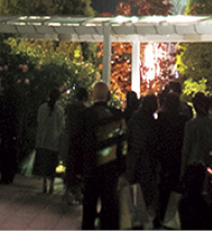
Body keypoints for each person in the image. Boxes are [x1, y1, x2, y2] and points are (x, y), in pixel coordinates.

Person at [77, 80, 124, 230]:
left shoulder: (84, 115)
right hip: (111, 169)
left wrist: (77, 171)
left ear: (92, 95)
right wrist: (122, 168)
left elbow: (77, 144)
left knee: (89, 207)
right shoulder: (117, 116)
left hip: (90, 168)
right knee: (110, 208)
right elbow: (123, 145)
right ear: (108, 96)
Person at [154, 89, 187, 230]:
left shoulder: (161, 117)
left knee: (162, 187)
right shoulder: (183, 119)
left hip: (163, 155)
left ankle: (160, 216)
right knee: (175, 186)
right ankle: (172, 218)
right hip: (177, 156)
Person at [125, 93, 159, 214]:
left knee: (135, 189)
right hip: (148, 160)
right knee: (145, 190)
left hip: (135, 158)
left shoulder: (135, 118)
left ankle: (136, 217)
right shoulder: (153, 122)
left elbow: (128, 137)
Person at [180, 91, 212, 177]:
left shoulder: (190, 125)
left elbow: (186, 148)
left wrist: (182, 171)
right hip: (211, 165)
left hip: (194, 164)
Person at [34, 87, 65, 194]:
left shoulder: (42, 108)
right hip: (53, 141)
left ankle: (44, 184)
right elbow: (61, 126)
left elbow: (38, 122)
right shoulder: (60, 111)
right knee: (52, 165)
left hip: (43, 140)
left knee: (43, 164)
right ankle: (51, 184)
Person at [63, 86, 88, 204]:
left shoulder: (70, 107)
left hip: (71, 139)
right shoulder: (85, 109)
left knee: (71, 166)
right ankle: (77, 193)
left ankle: (68, 192)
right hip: (81, 141)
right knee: (79, 168)